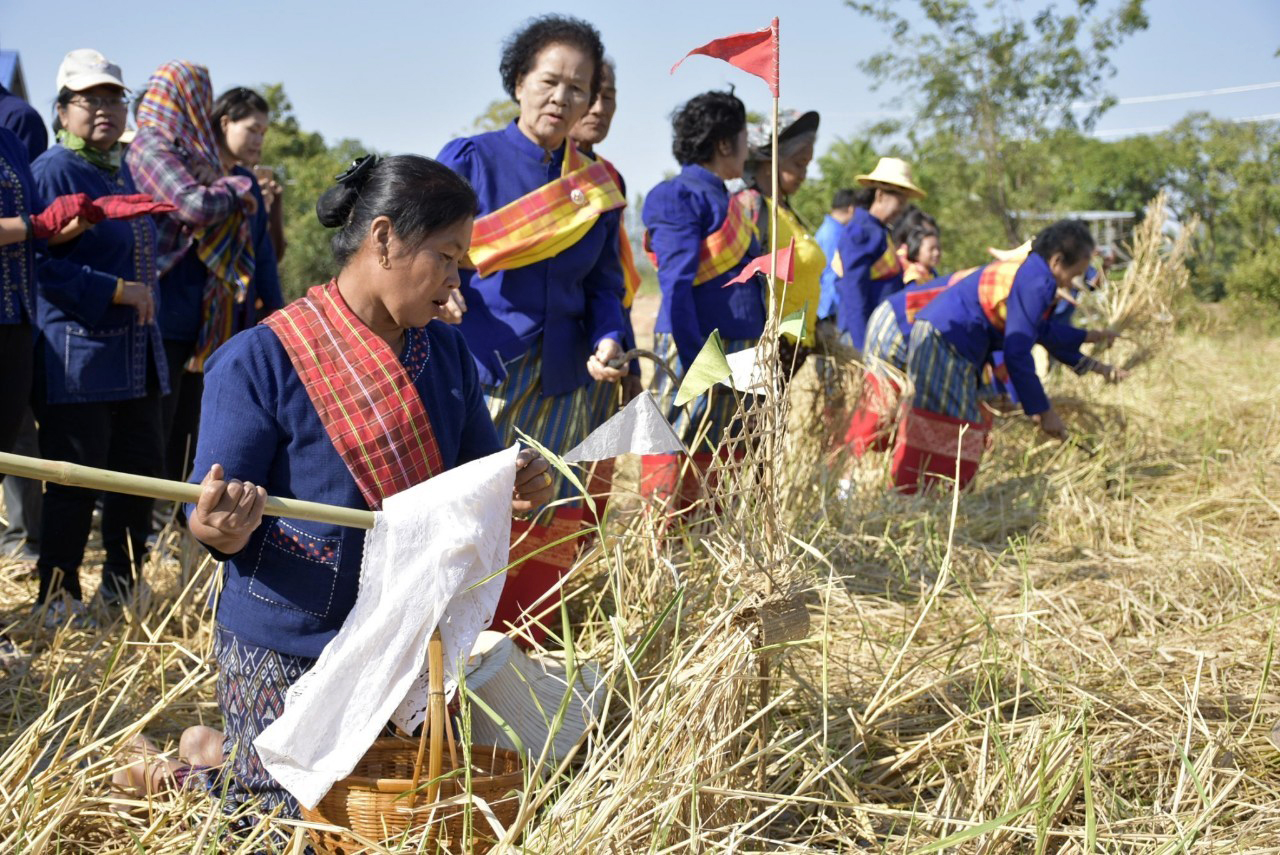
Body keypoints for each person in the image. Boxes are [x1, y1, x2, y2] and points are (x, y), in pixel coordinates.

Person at [182, 154, 554, 821]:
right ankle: (187, 772)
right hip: (290, 640)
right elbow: (208, 516)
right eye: (446, 257)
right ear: (383, 239)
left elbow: (480, 475)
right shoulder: (260, 360)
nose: (457, 279)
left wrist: (519, 484)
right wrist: (219, 526)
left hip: (403, 640)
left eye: (462, 262)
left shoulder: (446, 356)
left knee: (401, 815)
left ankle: (215, 755)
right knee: (280, 829)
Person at [437, 15, 626, 644]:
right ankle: (451, 653)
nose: (561, 98)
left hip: (567, 377)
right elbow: (425, 251)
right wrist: (443, 291)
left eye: (579, 88)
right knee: (472, 513)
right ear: (519, 82)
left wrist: (609, 336)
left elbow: (604, 285)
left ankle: (524, 650)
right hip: (483, 367)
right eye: (549, 82)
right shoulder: (471, 160)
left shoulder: (598, 186)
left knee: (551, 517)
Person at [29, 49, 168, 621]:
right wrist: (114, 289)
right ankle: (58, 595)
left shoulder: (121, 168)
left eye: (114, 97)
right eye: (90, 100)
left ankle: (122, 585)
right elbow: (37, 264)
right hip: (79, 354)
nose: (105, 109)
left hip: (135, 353)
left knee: (137, 474)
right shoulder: (53, 170)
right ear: (63, 111)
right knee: (75, 479)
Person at [125, 62, 274, 491]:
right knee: (154, 427)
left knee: (191, 427)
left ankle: (179, 514)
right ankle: (152, 514)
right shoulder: (157, 152)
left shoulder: (217, 169)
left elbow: (260, 252)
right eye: (253, 129)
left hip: (209, 319)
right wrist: (234, 190)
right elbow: (193, 207)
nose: (259, 140)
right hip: (164, 309)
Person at [898, 219, 1126, 492]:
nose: (1072, 282)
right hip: (945, 340)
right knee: (955, 425)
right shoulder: (1037, 282)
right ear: (1057, 261)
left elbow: (1041, 332)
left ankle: (935, 493)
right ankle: (926, 493)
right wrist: (1043, 410)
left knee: (958, 423)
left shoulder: (1033, 272)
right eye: (1074, 273)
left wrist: (1092, 343)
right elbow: (1017, 351)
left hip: (949, 341)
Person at [640, 90, 762, 509]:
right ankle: (664, 540)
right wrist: (699, 361)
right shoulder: (676, 195)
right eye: (744, 138)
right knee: (677, 445)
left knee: (726, 450)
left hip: (739, 348)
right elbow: (676, 284)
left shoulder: (731, 201)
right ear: (725, 143)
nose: (748, 149)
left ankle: (710, 539)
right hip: (696, 345)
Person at [569, 57, 643, 518]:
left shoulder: (608, 179)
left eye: (608, 96)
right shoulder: (504, 168)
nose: (598, 107)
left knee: (589, 491)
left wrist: (627, 351)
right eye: (589, 94)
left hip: (602, 349)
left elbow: (612, 277)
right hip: (532, 359)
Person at [0, 75, 46, 563]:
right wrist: (34, 225)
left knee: (9, 436)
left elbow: (40, 219)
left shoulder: (11, 138)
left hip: (15, 315)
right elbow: (33, 223)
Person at [740, 110, 824, 350]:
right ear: (770, 161)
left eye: (807, 165)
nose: (804, 175)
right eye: (798, 164)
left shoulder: (788, 214)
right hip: (767, 347)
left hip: (795, 348)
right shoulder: (751, 207)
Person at [832, 156, 925, 352]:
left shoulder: (879, 231)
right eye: (900, 202)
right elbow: (854, 291)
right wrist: (861, 346)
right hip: (862, 335)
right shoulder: (861, 232)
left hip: (879, 333)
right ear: (880, 195)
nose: (902, 210)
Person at [211, 86, 287, 263]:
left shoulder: (249, 182)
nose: (259, 141)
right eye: (252, 130)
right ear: (225, 123)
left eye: (262, 133)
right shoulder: (198, 174)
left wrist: (270, 209)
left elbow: (268, 257)